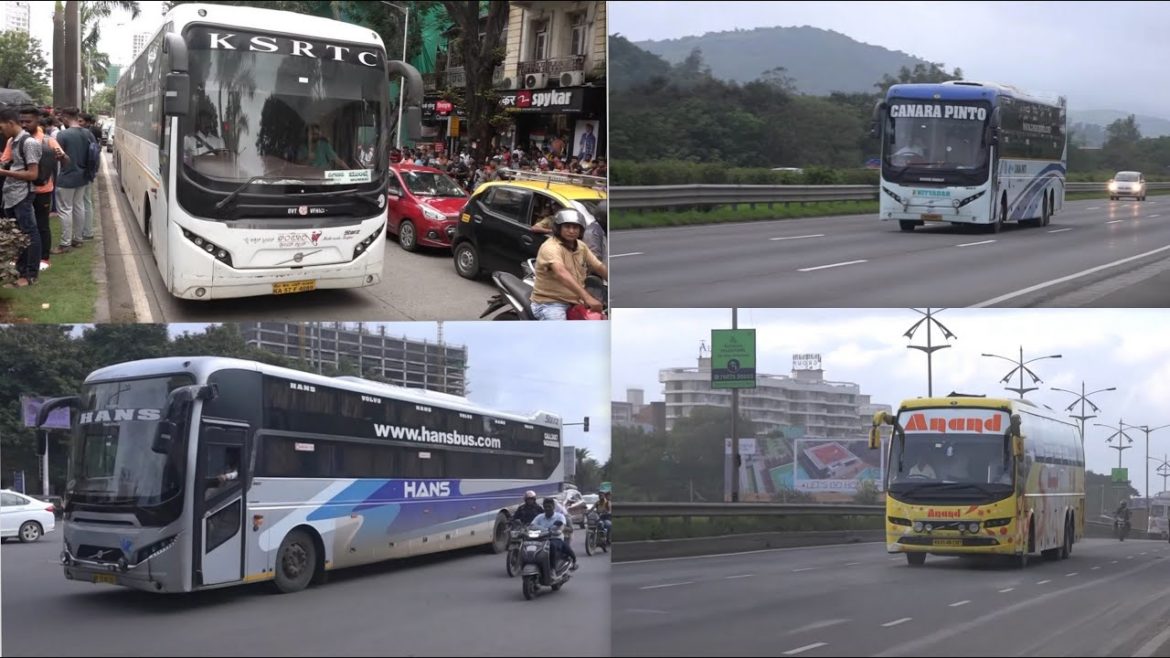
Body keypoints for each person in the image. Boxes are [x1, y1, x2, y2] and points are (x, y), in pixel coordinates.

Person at [530, 208, 609, 321]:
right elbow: (561, 273)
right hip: (551, 303)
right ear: (558, 228)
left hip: (575, 301)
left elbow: (598, 266)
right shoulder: (551, 247)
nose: (571, 231)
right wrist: (587, 297)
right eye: (567, 227)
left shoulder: (581, 246)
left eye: (575, 227)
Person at [0, 107, 43, 288]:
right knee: (18, 235)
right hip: (11, 194)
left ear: (10, 123)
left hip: (22, 195)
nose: (1, 131)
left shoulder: (29, 143)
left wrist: (3, 172)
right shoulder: (12, 141)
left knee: (29, 234)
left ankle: (30, 274)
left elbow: (33, 174)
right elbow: (12, 163)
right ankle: (20, 270)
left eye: (1, 127)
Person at [530, 497, 578, 571]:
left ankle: (552, 568)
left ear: (553, 507)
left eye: (549, 506)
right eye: (545, 507)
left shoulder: (560, 516)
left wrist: (556, 530)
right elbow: (532, 525)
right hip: (540, 539)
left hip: (555, 538)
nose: (547, 508)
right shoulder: (539, 517)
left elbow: (561, 528)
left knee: (552, 546)